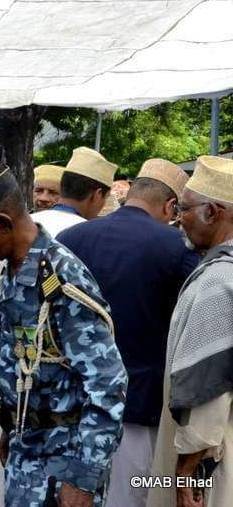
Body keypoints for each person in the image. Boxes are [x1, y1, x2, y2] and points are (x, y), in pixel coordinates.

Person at [0, 150, 127, 507]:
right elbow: (25, 359)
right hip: (28, 447)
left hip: (63, 464)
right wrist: (12, 425)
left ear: (4, 222)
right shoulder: (14, 268)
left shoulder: (61, 278)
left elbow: (108, 384)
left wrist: (82, 479)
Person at [58, 159, 200, 507]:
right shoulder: (176, 248)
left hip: (70, 406)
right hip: (137, 410)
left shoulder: (70, 238)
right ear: (170, 206)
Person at [147, 156, 233, 507]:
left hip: (213, 464)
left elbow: (205, 392)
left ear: (212, 212)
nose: (176, 219)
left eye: (183, 209)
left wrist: (186, 474)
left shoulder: (218, 281)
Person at [33, 147, 117, 237]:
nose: (43, 198)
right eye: (38, 190)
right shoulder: (94, 235)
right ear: (98, 195)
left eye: (52, 192)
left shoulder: (25, 224)